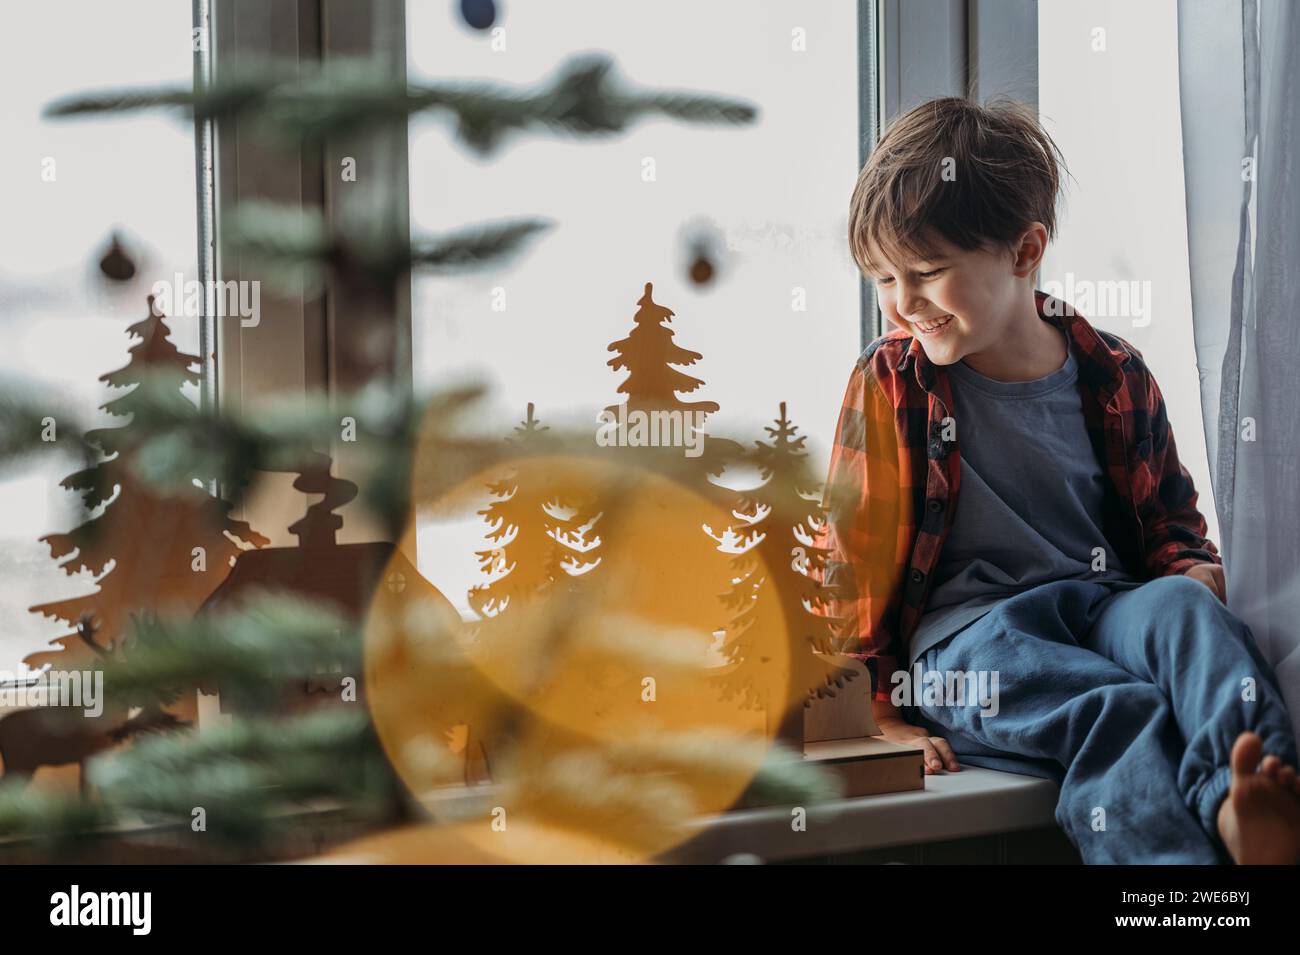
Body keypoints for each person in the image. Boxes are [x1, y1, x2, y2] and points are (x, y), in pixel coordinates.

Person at [820, 96, 1300, 864]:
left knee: (1185, 612)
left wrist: (1189, 572)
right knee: (1115, 709)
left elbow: (1171, 520)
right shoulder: (890, 384)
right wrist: (879, 706)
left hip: (1098, 606)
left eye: (928, 272)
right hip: (971, 641)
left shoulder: (1113, 372)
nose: (903, 303)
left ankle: (1250, 799)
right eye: (883, 279)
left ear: (1024, 250)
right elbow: (854, 551)